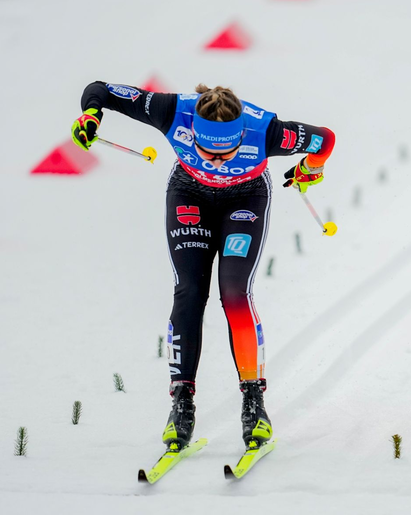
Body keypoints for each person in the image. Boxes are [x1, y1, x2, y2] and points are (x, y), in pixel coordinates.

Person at [71, 82, 335, 451]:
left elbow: (324, 139)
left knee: (234, 293)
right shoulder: (170, 111)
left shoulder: (266, 131)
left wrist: (310, 167)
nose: (216, 161)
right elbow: (101, 90)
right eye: (208, 152)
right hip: (189, 193)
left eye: (226, 154)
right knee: (190, 292)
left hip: (245, 198)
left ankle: (253, 402)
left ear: (241, 134)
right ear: (191, 131)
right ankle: (181, 403)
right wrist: (90, 115)